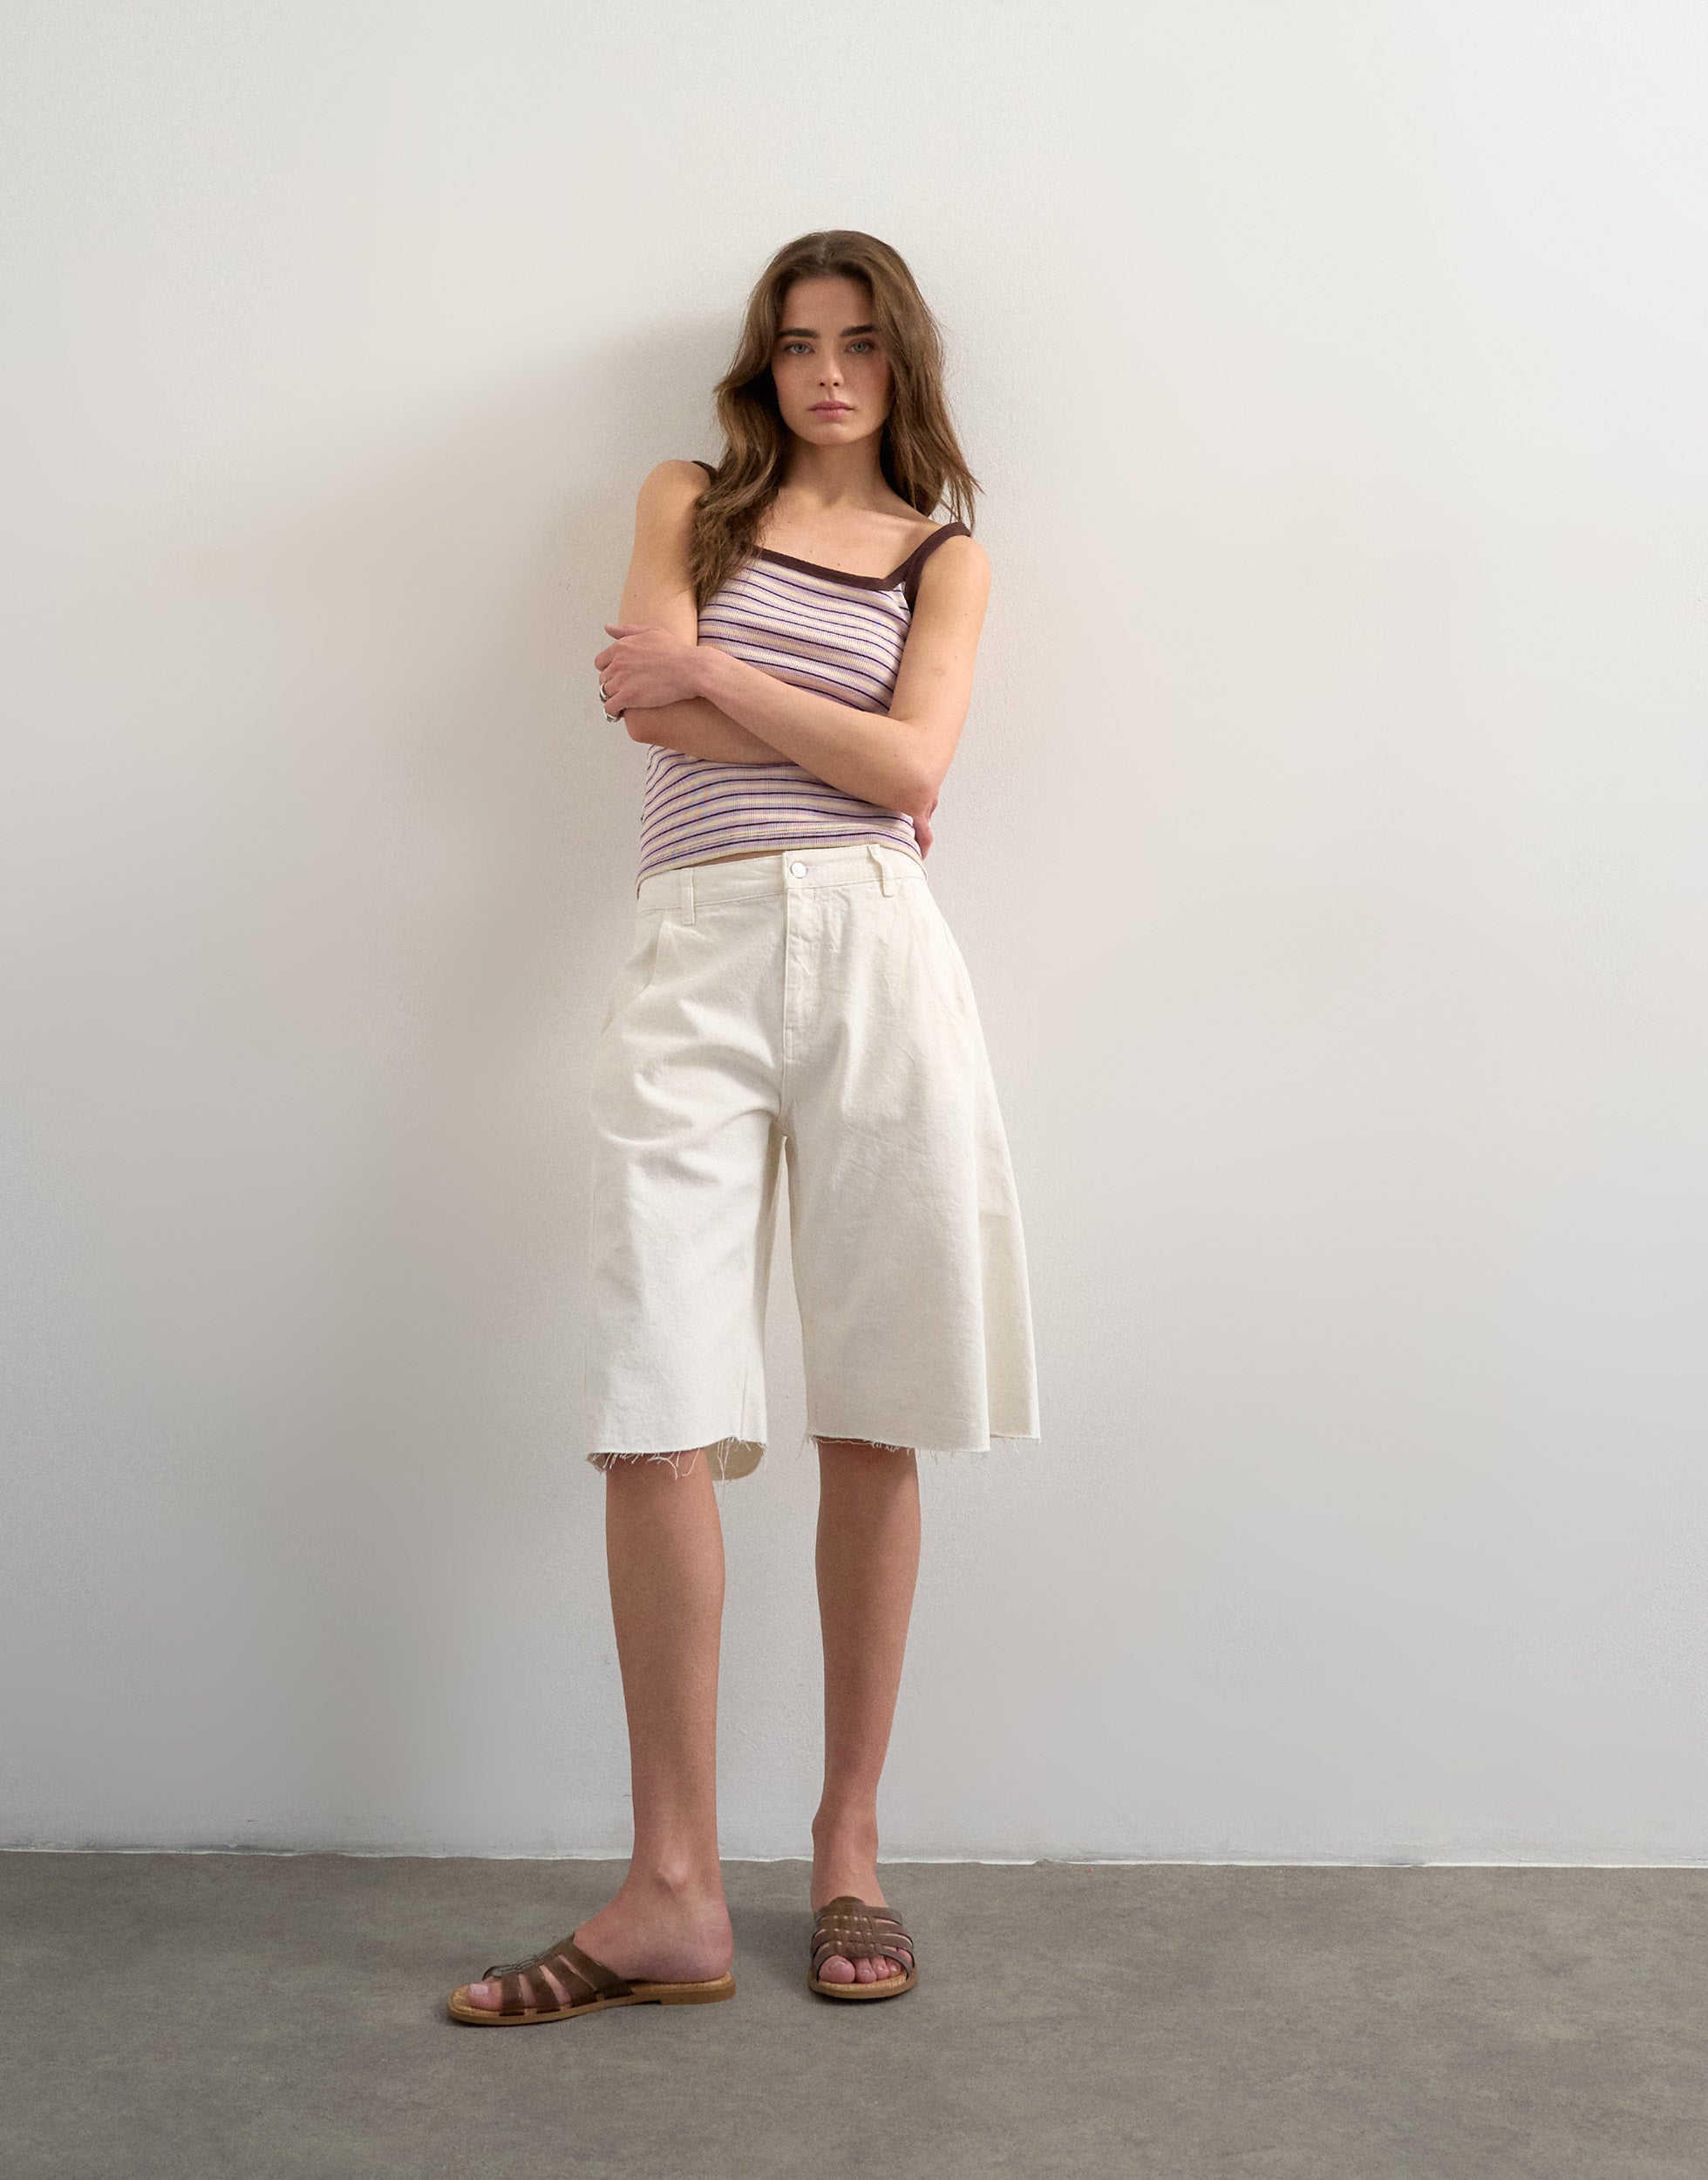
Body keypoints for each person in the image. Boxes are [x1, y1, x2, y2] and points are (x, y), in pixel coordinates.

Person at [446, 229, 1039, 2027]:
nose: (827, 374)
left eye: (859, 344)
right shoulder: (686, 499)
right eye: (796, 343)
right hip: (694, 954)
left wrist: (745, 695)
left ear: (902, 362)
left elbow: (916, 771)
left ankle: (849, 1846)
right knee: (656, 1401)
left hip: (877, 954)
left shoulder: (947, 558)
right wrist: (835, 730)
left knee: (875, 1402)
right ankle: (672, 1890)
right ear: (760, 362)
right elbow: (646, 696)